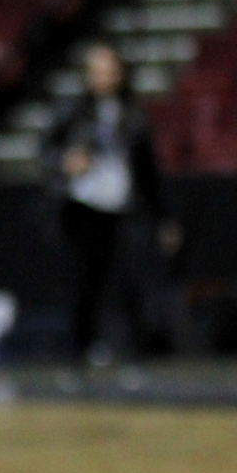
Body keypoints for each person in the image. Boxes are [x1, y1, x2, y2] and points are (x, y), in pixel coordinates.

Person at [46, 43, 179, 365]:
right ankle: (80, 349)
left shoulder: (133, 114)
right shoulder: (75, 111)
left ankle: (131, 349)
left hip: (123, 207)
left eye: (108, 70)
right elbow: (47, 149)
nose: (102, 77)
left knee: (127, 280)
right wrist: (65, 161)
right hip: (83, 207)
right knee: (84, 280)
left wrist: (163, 217)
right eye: (96, 70)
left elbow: (148, 172)